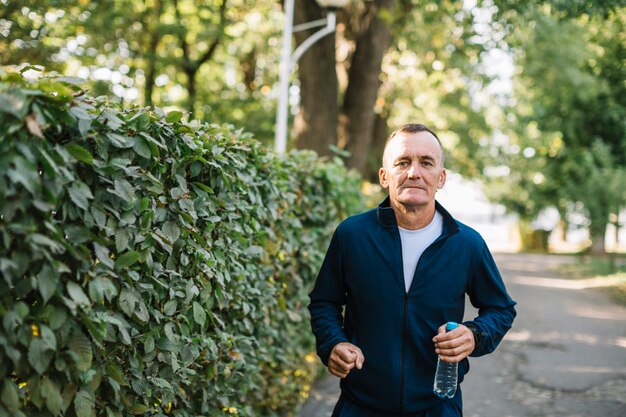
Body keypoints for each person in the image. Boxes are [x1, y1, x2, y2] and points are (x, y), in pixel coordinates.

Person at [308, 123, 517, 416]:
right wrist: (333, 343)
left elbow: (501, 309)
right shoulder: (352, 235)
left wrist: (474, 334)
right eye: (402, 162)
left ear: (441, 177)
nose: (413, 172)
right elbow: (324, 302)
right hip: (360, 405)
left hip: (438, 405)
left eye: (426, 163)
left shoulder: (467, 243)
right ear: (384, 176)